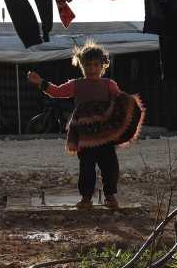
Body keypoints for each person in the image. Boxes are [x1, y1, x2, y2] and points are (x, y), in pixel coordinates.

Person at [27, 41, 145, 210]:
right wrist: (41, 83)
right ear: (81, 65)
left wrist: (131, 105)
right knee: (86, 168)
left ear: (102, 66)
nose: (91, 69)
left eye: (95, 65)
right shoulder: (76, 84)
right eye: (87, 65)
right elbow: (58, 92)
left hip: (105, 136)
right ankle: (86, 198)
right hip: (84, 137)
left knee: (110, 167)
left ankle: (110, 196)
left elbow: (120, 101)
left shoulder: (109, 85)